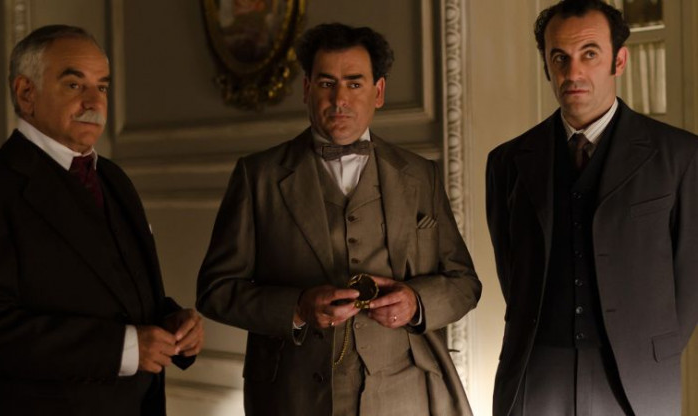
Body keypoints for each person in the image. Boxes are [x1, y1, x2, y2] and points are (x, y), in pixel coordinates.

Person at [197, 23, 481, 416]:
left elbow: (464, 283)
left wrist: (416, 303)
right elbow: (215, 290)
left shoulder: (420, 176)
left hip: (404, 394)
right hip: (294, 396)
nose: (339, 99)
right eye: (326, 83)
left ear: (378, 92)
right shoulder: (258, 176)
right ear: (307, 89)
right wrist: (297, 307)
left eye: (354, 83)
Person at [0, 25, 204, 416]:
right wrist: (122, 350)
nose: (94, 102)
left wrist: (172, 321)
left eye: (102, 87)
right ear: (26, 93)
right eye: (75, 85)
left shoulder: (114, 178)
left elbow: (117, 290)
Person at [486, 1, 698, 415]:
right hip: (536, 371)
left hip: (637, 379)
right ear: (546, 66)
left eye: (589, 54)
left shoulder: (680, 155)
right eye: (559, 58)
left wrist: (654, 350)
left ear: (619, 61)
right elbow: (511, 271)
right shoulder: (507, 161)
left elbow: (690, 277)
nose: (573, 72)